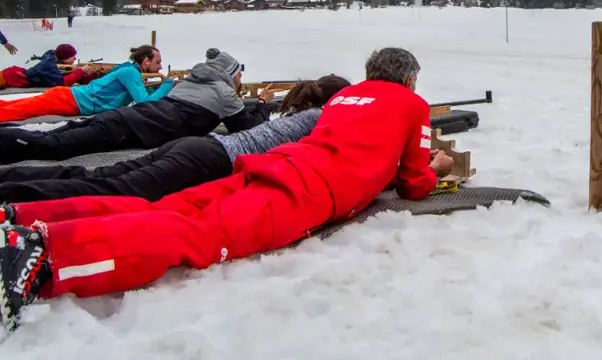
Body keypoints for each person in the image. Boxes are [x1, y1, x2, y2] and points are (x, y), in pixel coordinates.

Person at [0, 47, 455, 332]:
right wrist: (436, 167)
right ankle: (44, 256)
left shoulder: (342, 98)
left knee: (162, 205)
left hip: (271, 164)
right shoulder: (411, 105)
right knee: (197, 235)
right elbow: (415, 184)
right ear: (410, 80)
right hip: (307, 192)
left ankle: (25, 216)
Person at [0, 75, 351, 203]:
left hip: (193, 148)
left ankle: (10, 179)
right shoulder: (318, 120)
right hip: (205, 159)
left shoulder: (292, 113)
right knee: (110, 190)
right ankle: (10, 191)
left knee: (97, 177)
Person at [0, 48, 273, 164]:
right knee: (52, 146)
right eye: (239, 74)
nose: (240, 79)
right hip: (130, 127)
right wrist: (262, 104)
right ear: (231, 74)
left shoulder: (190, 82)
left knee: (54, 136)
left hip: (125, 118)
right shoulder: (224, 91)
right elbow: (246, 129)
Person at [0, 46, 171, 124]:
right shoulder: (131, 73)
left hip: (70, 98)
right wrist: (166, 85)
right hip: (69, 100)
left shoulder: (132, 72)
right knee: (18, 111)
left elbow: (141, 93)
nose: (160, 66)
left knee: (16, 106)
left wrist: (156, 86)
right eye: (158, 62)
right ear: (146, 61)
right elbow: (144, 103)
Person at [0, 45, 105, 91]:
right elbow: (61, 82)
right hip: (10, 77)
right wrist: (81, 71)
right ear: (64, 57)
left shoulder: (54, 57)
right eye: (72, 56)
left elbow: (67, 74)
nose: (75, 59)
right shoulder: (49, 65)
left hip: (13, 73)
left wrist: (89, 75)